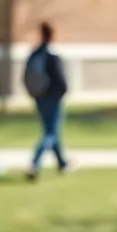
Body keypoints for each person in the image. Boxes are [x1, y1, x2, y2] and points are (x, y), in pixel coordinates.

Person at [22, 21, 72, 181]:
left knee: (51, 130)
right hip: (52, 97)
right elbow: (60, 79)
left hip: (39, 97)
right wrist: (63, 92)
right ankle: (34, 163)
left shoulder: (35, 54)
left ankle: (62, 163)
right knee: (50, 133)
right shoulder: (52, 54)